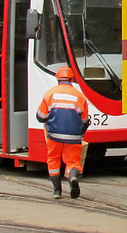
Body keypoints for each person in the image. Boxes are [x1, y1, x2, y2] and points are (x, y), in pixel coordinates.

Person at [36, 66, 90, 199]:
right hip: (74, 136)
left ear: (58, 79)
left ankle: (57, 191)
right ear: (71, 79)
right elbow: (85, 120)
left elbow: (40, 117)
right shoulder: (80, 96)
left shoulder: (50, 94)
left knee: (53, 160)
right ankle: (72, 178)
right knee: (73, 162)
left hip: (54, 135)